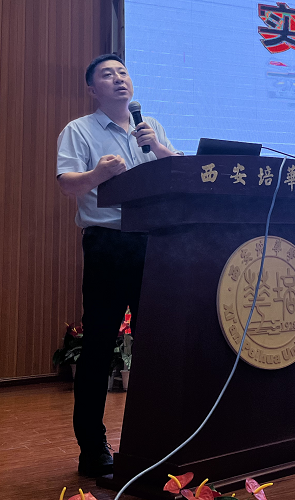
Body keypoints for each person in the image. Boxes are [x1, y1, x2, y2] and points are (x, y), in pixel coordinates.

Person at [55, 53, 181, 476]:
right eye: (107, 75)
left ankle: (157, 438)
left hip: (154, 244)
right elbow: (67, 185)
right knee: (98, 347)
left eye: (123, 72)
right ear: (93, 89)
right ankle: (92, 449)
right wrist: (97, 174)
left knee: (156, 344)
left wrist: (157, 147)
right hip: (107, 245)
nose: (119, 79)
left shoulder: (151, 127)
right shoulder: (78, 130)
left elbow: (179, 173)